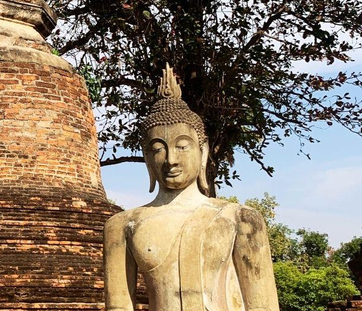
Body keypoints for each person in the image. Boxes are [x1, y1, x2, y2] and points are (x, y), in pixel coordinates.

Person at [103, 64, 279, 311]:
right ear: (147, 157)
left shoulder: (241, 220)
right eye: (158, 149)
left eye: (182, 146)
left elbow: (263, 306)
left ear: (202, 151)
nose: (171, 159)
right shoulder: (121, 226)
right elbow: (119, 307)